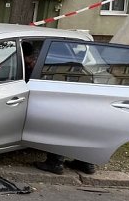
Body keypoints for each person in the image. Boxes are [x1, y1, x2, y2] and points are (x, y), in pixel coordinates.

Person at [22, 41, 97, 175]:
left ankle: (55, 163)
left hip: (63, 104)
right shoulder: (75, 65)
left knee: (58, 130)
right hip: (84, 106)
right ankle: (86, 163)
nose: (29, 65)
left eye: (29, 62)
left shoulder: (47, 67)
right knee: (80, 131)